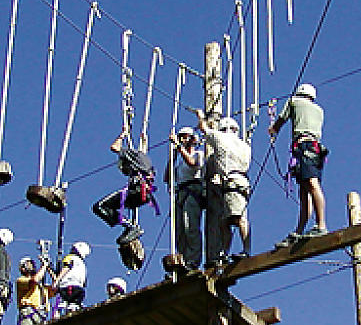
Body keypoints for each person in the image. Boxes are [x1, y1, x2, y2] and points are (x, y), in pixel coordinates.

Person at [269, 83, 328, 248]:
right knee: (305, 190)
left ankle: (321, 225)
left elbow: (281, 120)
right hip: (315, 150)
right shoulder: (319, 110)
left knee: (311, 184)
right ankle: (300, 229)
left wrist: (273, 130)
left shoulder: (293, 101)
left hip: (304, 147)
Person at [197, 110, 251, 265]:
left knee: (237, 218)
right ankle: (224, 253)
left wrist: (201, 116)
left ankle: (245, 250)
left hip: (232, 182)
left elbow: (204, 129)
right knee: (225, 220)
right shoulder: (244, 145)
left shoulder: (221, 138)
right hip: (240, 181)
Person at [92, 131, 159, 248]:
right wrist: (144, 140)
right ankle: (130, 227)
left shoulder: (134, 155)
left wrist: (122, 135)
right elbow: (143, 150)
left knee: (100, 206)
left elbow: (114, 147)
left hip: (136, 191)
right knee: (112, 205)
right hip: (143, 194)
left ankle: (131, 227)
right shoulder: (144, 160)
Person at [164, 126, 204, 270]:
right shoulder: (179, 161)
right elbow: (167, 177)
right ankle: (183, 258)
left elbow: (193, 165)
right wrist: (173, 156)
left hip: (193, 190)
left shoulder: (199, 154)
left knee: (190, 226)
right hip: (181, 192)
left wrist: (179, 148)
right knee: (179, 229)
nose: (182, 140)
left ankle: (193, 260)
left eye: (185, 137)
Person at [16, 255, 55, 325]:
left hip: (40, 315)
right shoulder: (21, 280)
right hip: (28, 312)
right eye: (27, 264)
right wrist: (44, 266)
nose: (31, 266)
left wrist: (48, 268)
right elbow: (34, 280)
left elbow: (56, 286)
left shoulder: (41, 288)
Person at [52, 241, 90, 313]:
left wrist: (57, 281)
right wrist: (57, 281)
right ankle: (69, 304)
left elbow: (66, 268)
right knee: (75, 295)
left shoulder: (73, 259)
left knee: (77, 296)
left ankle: (72, 304)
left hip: (73, 285)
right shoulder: (74, 259)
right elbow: (66, 268)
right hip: (70, 284)